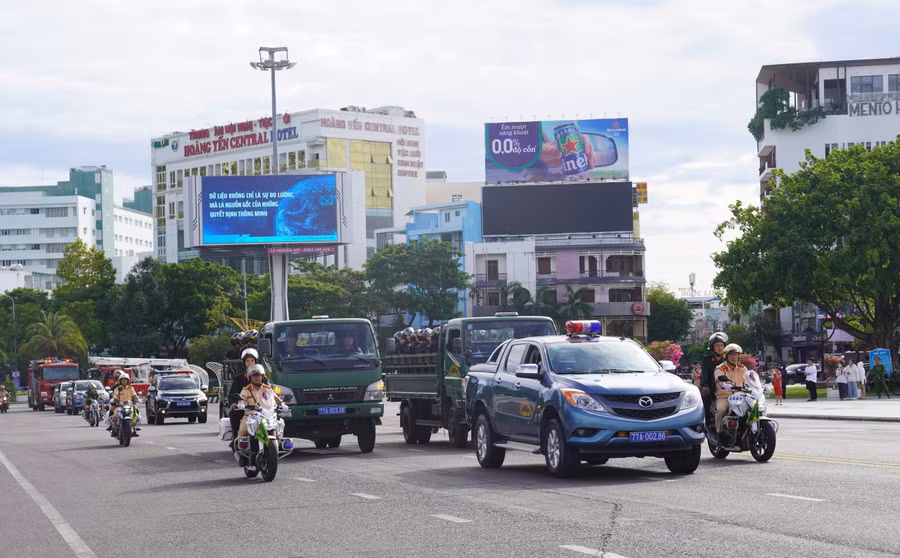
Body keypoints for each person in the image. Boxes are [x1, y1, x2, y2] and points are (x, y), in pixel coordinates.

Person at [237, 365, 284, 437]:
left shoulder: (268, 389)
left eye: (259, 375)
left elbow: (276, 399)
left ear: (262, 377)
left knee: (279, 427)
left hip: (267, 416)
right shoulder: (246, 390)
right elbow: (242, 399)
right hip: (251, 416)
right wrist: (241, 404)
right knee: (243, 430)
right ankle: (239, 446)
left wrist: (282, 404)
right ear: (250, 377)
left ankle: (279, 442)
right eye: (254, 376)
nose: (257, 378)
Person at [713, 344, 747, 442]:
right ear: (726, 356)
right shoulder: (720, 368)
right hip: (725, 396)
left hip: (740, 397)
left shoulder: (742, 368)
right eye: (731, 355)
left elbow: (750, 378)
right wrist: (724, 385)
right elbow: (719, 379)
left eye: (736, 355)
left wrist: (758, 385)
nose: (734, 357)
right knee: (721, 410)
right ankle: (719, 433)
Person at [229, 348, 262, 439]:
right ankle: (236, 439)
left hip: (261, 408)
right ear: (244, 363)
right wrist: (235, 404)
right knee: (234, 414)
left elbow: (269, 391)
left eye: (252, 360)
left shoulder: (263, 377)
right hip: (246, 408)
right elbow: (233, 394)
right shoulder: (239, 379)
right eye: (247, 361)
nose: (250, 363)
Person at [701, 332, 728, 421]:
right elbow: (705, 374)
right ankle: (706, 422)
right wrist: (705, 385)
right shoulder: (707, 360)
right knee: (705, 398)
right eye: (717, 345)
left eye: (721, 345)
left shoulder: (727, 360)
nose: (720, 348)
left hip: (725, 388)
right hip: (711, 387)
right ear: (712, 347)